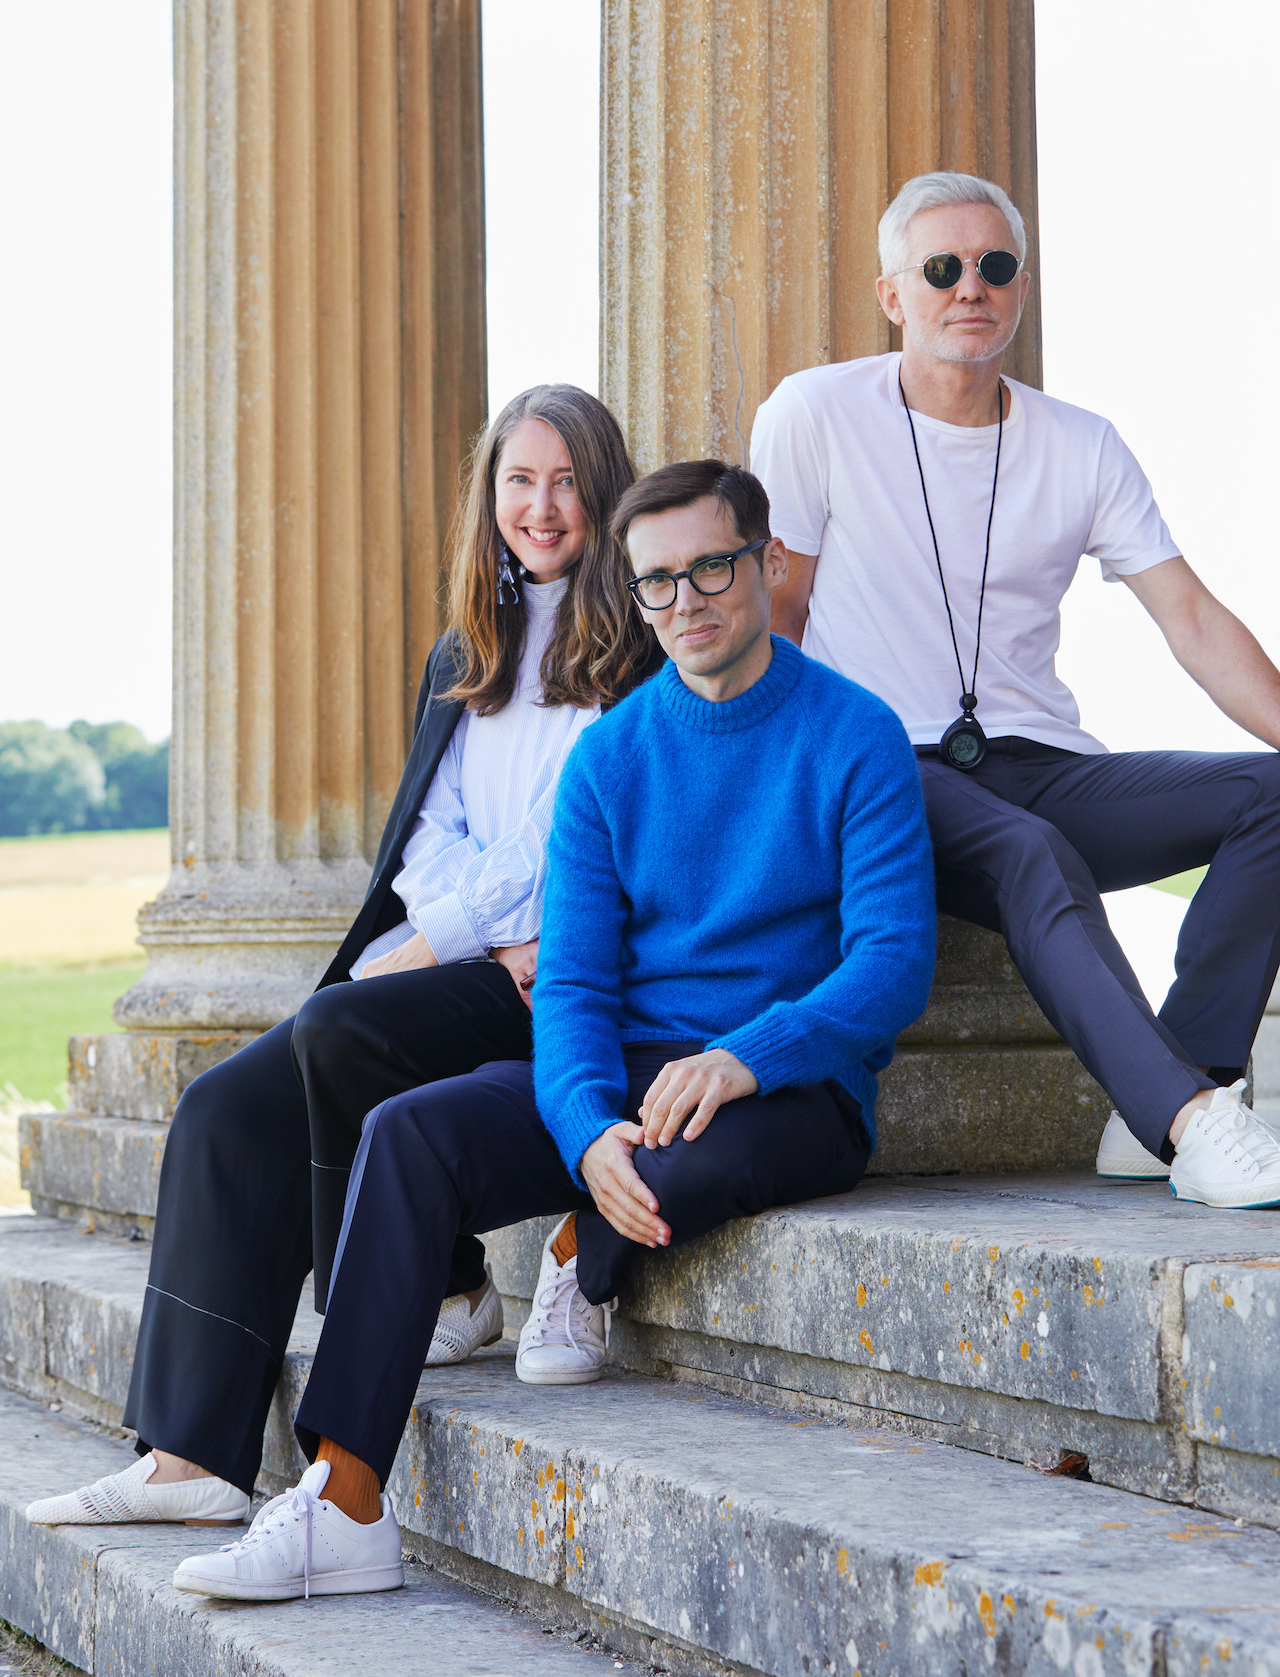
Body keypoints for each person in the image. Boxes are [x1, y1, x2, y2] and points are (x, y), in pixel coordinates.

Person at [159, 459, 937, 1601]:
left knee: (691, 1146)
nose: (686, 603)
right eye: (657, 583)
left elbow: (890, 965)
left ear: (767, 564)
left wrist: (741, 1055)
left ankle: (591, 1244)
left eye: (712, 568)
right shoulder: (611, 757)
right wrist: (582, 1130)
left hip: (790, 1085)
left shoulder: (855, 735)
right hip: (623, 1073)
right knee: (409, 1132)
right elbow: (570, 989)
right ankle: (344, 1498)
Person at [27, 383, 657, 1533]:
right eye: (518, 479)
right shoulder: (464, 652)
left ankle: (452, 1284)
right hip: (468, 957)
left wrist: (432, 942)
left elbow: (565, 841)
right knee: (222, 1107)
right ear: (490, 497)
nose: (542, 504)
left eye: (566, 479)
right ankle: (192, 1459)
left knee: (336, 1030)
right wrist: (439, 933)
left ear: (604, 494)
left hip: (556, 979)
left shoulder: (635, 654)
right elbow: (426, 835)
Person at [753, 167, 1280, 1210]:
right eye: (940, 268)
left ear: (1020, 287)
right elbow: (780, 619)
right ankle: (1188, 1120)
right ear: (891, 293)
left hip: (1040, 763)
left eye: (993, 267)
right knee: (1028, 854)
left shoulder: (1079, 442)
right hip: (881, 770)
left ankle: (1180, 1085)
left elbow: (1192, 620)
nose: (969, 288)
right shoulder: (814, 413)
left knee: (1269, 793)